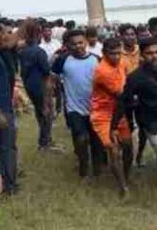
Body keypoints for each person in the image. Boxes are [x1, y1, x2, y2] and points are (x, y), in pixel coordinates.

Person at [115, 36, 157, 214]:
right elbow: (125, 100)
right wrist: (118, 123)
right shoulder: (135, 78)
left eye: (156, 52)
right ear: (142, 55)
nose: (154, 56)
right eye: (149, 53)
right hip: (152, 122)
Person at [49, 29, 104, 180]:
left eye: (80, 42)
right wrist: (50, 97)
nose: (78, 46)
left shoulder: (97, 59)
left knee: (96, 140)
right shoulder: (63, 60)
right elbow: (52, 78)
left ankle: (98, 169)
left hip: (95, 108)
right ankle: (83, 169)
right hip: (74, 109)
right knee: (80, 138)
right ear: (67, 45)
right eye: (73, 44)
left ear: (86, 42)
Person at [90, 37, 132, 196]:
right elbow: (122, 92)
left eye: (118, 53)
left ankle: (125, 177)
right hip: (103, 114)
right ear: (104, 53)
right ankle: (123, 188)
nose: (116, 57)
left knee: (128, 146)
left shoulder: (122, 62)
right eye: (112, 53)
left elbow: (129, 77)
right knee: (113, 150)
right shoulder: (102, 71)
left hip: (118, 111)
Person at [19, 24, 54, 151]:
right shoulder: (39, 52)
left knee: (40, 113)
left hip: (30, 86)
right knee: (47, 113)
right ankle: (45, 143)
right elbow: (46, 72)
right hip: (41, 86)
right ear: (38, 35)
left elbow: (22, 72)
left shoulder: (23, 52)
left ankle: (45, 140)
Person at [0, 19, 18, 195]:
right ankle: (9, 186)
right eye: (2, 32)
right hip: (0, 110)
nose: (5, 36)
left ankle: (6, 180)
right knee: (6, 147)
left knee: (6, 147)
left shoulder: (1, 52)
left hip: (5, 106)